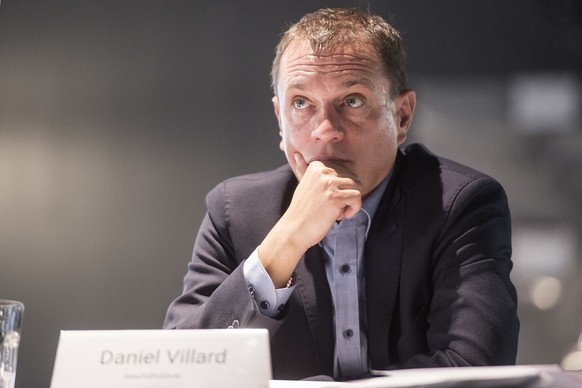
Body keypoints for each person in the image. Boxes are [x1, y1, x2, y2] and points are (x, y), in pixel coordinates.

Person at [164, 8, 519, 381]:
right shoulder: (233, 211)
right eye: (301, 103)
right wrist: (285, 242)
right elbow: (183, 370)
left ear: (401, 117)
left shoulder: (461, 204)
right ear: (280, 121)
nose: (326, 130)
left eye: (352, 101)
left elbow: (475, 371)